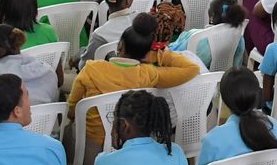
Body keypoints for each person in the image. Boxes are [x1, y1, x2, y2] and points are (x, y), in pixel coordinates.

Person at [68, 13, 200, 152]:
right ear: (147, 54)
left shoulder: (91, 69)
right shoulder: (148, 74)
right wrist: (159, 53)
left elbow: (72, 108)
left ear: (120, 45)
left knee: (67, 130)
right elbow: (192, 68)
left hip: (89, 150)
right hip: (129, 147)